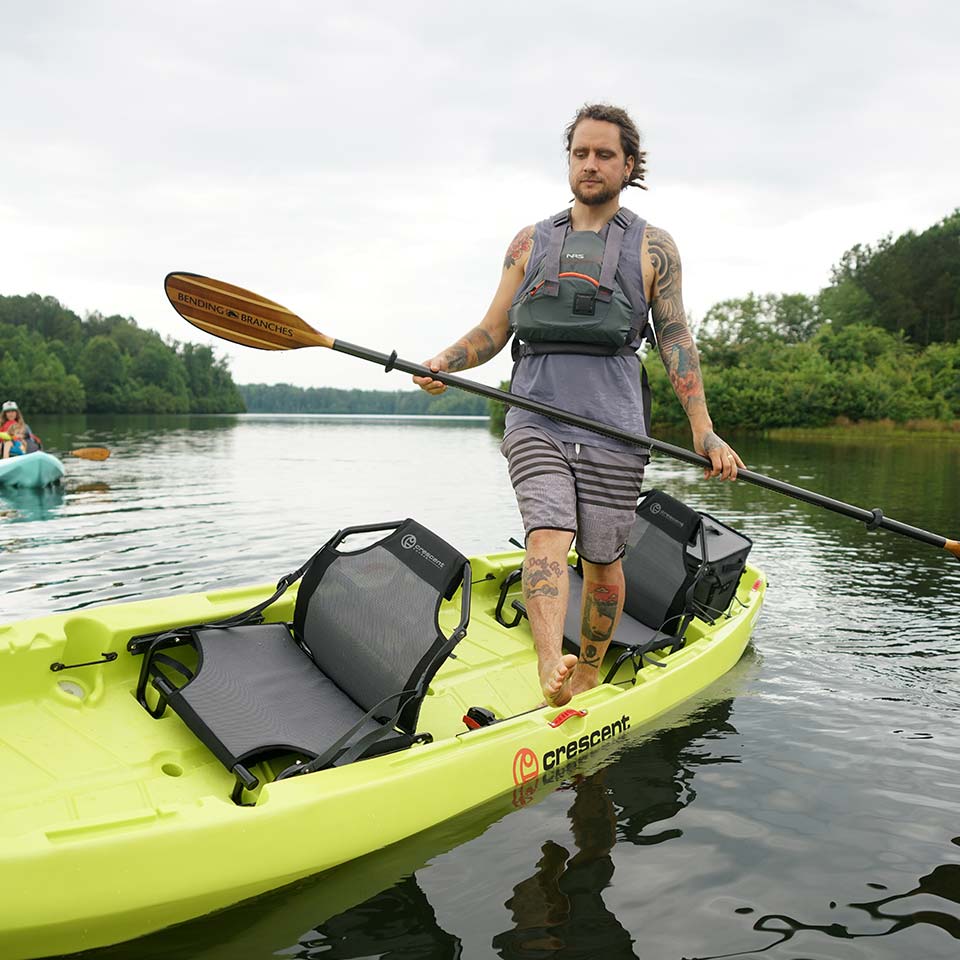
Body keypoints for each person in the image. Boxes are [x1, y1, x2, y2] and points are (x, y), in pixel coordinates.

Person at [414, 103, 744, 708]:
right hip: (535, 414)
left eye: (604, 154)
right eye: (580, 153)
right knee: (546, 532)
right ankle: (548, 664)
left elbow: (674, 340)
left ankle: (589, 669)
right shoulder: (528, 242)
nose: (590, 165)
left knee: (602, 562)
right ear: (569, 159)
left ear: (629, 164)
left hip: (615, 428)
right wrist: (445, 362)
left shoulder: (654, 247)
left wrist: (704, 431)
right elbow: (492, 332)